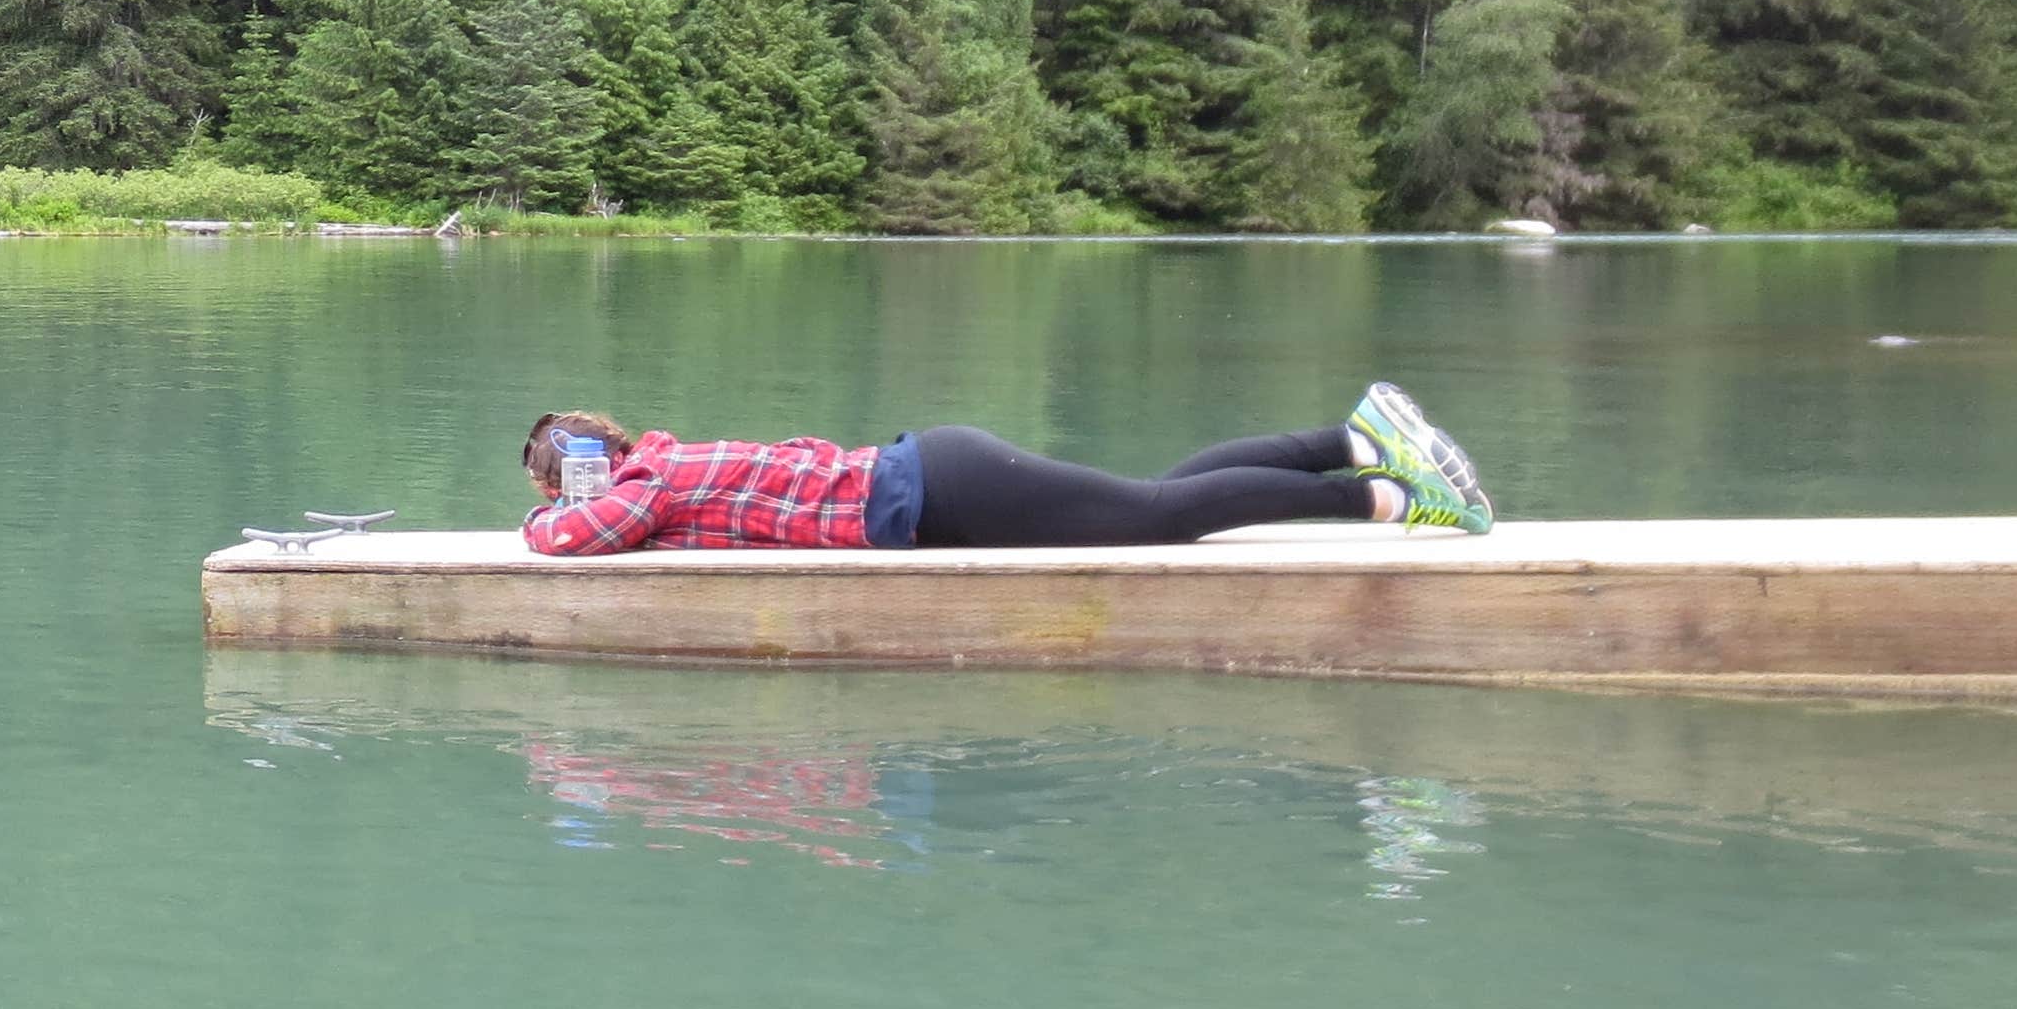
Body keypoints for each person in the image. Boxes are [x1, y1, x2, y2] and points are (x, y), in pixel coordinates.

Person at [516, 383, 1498, 553]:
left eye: (566, 476)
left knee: (1158, 516)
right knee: (1151, 505)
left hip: (940, 488)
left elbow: (574, 540)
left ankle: (1382, 494)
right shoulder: (668, 460)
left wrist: (544, 515)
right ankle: (1348, 446)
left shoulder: (648, 485)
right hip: (935, 480)